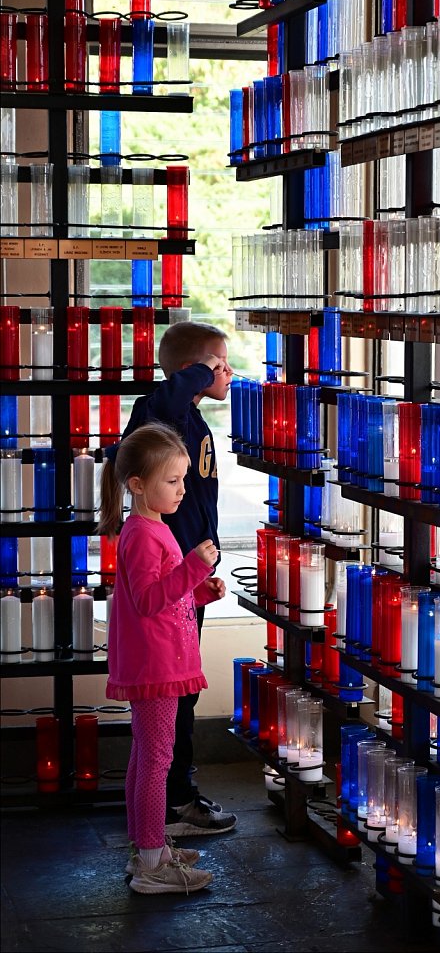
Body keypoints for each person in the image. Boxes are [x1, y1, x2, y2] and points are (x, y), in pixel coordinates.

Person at [114, 320, 237, 836]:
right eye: (218, 364)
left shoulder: (190, 418)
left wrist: (200, 573)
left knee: (182, 694)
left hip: (186, 579)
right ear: (191, 371)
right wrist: (195, 373)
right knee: (173, 700)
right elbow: (162, 403)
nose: (228, 372)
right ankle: (172, 805)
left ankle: (172, 798)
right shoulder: (163, 414)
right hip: (171, 582)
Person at [100, 423, 226, 894]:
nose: (182, 489)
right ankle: (152, 863)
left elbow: (164, 596)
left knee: (146, 756)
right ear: (137, 484)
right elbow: (150, 599)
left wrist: (199, 592)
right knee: (157, 759)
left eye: (183, 479)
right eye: (171, 481)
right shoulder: (141, 535)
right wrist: (194, 566)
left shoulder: (153, 529)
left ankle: (145, 847)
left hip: (159, 660)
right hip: (156, 665)